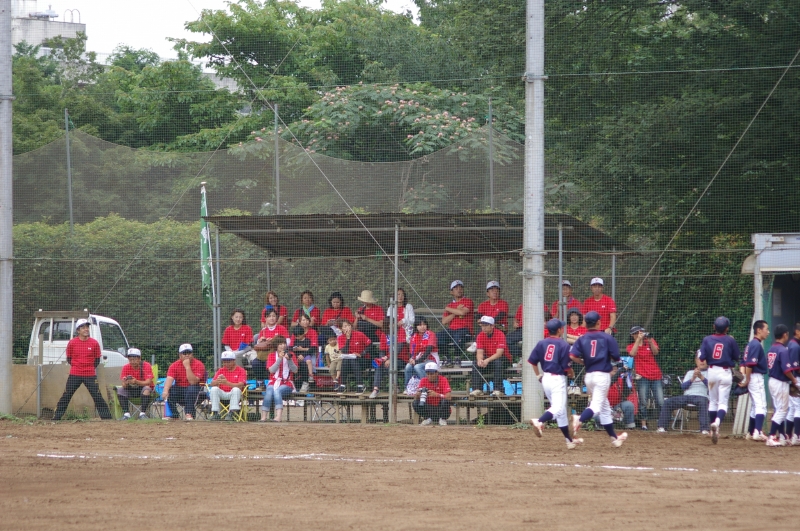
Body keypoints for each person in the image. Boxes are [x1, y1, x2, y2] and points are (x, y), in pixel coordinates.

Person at [569, 311, 628, 447]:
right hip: (602, 375)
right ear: (599, 323)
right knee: (595, 406)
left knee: (605, 408)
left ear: (585, 323)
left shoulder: (582, 338)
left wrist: (583, 362)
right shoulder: (606, 337)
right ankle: (579, 419)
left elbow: (572, 356)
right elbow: (616, 357)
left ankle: (615, 438)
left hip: (589, 376)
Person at [528, 319, 582, 449]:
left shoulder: (541, 343)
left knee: (561, 412)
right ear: (559, 330)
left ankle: (569, 441)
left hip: (546, 378)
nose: (563, 329)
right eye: (561, 328)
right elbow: (566, 367)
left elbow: (532, 361)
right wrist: (572, 373)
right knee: (558, 408)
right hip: (557, 379)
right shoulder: (564, 345)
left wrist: (538, 375)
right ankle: (539, 421)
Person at [52, 319, 113, 421]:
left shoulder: (94, 343)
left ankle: (107, 418)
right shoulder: (72, 343)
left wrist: (88, 368)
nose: (86, 329)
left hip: (90, 374)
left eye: (87, 327)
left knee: (97, 395)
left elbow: (97, 360)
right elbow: (69, 359)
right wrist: (78, 367)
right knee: (67, 395)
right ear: (78, 330)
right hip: (75, 374)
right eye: (83, 327)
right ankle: (56, 417)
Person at [697, 316, 741, 444]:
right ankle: (716, 423)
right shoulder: (730, 340)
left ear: (714, 327)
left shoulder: (707, 339)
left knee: (713, 402)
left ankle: (712, 431)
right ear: (727, 328)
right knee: (723, 403)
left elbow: (701, 357)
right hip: (725, 372)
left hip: (712, 371)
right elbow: (737, 357)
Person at [765, 325, 799, 447]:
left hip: (773, 381)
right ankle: (771, 436)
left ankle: (783, 436)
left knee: (779, 409)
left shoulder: (771, 348)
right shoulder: (782, 350)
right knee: (782, 410)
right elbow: (787, 370)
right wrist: (794, 380)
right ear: (785, 334)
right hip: (780, 382)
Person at [739, 320, 770, 441]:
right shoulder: (756, 344)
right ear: (759, 330)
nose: (768, 332)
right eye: (766, 329)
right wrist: (747, 379)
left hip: (752, 376)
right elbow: (750, 364)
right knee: (761, 405)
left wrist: (745, 377)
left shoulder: (750, 344)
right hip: (755, 376)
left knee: (755, 406)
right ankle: (758, 432)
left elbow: (743, 363)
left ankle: (751, 432)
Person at [656, 367, 710, 434]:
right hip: (687, 396)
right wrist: (693, 378)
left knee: (704, 402)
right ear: (696, 362)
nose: (702, 362)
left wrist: (701, 377)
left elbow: (712, 387)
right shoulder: (690, 372)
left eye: (704, 361)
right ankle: (662, 427)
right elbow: (683, 387)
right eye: (700, 361)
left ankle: (704, 429)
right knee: (668, 402)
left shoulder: (710, 373)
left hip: (702, 397)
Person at [627, 325, 662, 430]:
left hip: (655, 375)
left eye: (641, 332)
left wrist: (650, 341)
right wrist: (638, 340)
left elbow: (656, 352)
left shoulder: (650, 341)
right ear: (633, 335)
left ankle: (662, 424)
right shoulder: (631, 346)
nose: (640, 334)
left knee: (660, 401)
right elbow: (632, 354)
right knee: (643, 401)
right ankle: (644, 424)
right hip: (642, 376)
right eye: (637, 333)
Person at [162, 343, 206, 421]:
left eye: (189, 353)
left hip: (196, 391)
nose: (187, 355)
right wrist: (165, 391)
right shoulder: (174, 365)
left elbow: (193, 382)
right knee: (170, 390)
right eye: (184, 353)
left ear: (192, 354)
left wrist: (187, 367)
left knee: (191, 389)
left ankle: (189, 413)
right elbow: (169, 379)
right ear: (180, 355)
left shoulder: (199, 364)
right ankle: (174, 415)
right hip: (180, 390)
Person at [259, 335, 297, 422]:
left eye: (284, 343)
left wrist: (289, 360)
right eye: (280, 344)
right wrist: (279, 359)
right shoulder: (271, 355)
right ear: (276, 345)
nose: (283, 345)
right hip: (273, 381)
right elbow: (271, 370)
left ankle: (278, 416)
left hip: (287, 383)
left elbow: (295, 370)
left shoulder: (291, 355)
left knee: (277, 391)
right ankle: (264, 417)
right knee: (269, 392)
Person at [469, 316, 509, 398]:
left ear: (492, 326)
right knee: (476, 363)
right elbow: (479, 352)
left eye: (486, 325)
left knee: (498, 362)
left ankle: (498, 389)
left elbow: (499, 353)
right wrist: (480, 360)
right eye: (482, 326)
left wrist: (487, 360)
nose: (483, 328)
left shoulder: (500, 334)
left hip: (503, 359)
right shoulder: (480, 335)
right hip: (489, 360)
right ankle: (477, 389)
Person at [437, 280, 474, 364]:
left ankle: (457, 357)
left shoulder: (468, 301)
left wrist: (449, 309)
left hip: (465, 330)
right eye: (456, 288)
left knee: (458, 337)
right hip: (452, 330)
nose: (459, 290)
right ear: (451, 292)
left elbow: (462, 312)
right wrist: (455, 312)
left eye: (461, 288)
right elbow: (444, 321)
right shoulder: (450, 305)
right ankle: (447, 358)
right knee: (438, 337)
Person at [209, 350, 247, 421]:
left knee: (236, 389)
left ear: (234, 361)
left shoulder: (241, 370)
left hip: (235, 395)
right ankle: (215, 413)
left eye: (228, 362)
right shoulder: (221, 370)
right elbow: (212, 384)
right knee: (214, 389)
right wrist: (217, 381)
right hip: (222, 394)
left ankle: (232, 413)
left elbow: (241, 385)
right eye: (224, 362)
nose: (226, 364)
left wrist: (227, 383)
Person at [117, 347, 154, 420]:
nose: (132, 362)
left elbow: (148, 382)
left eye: (134, 359)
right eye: (130, 360)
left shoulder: (146, 365)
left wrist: (136, 381)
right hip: (131, 389)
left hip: (143, 389)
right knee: (120, 390)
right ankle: (126, 414)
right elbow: (123, 385)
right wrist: (126, 382)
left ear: (139, 358)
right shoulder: (126, 367)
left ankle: (142, 414)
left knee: (147, 389)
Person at [337, 318, 372, 392]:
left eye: (348, 325)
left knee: (353, 360)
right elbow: (344, 351)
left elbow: (370, 345)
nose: (348, 327)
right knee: (346, 360)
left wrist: (361, 354)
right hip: (348, 363)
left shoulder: (359, 334)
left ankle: (360, 385)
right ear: (341, 329)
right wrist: (348, 338)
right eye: (345, 326)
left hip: (363, 360)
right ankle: (343, 385)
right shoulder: (340, 338)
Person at [413, 362, 452, 426]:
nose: (429, 376)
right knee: (415, 403)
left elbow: (449, 397)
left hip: (441, 408)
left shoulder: (443, 379)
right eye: (427, 374)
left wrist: (437, 395)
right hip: (429, 409)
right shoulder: (423, 380)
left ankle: (442, 419)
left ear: (437, 373)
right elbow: (416, 398)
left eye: (431, 374)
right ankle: (427, 419)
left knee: (445, 401)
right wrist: (418, 395)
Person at [405, 316, 439, 385]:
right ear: (416, 326)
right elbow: (412, 352)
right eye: (420, 325)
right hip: (418, 359)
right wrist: (412, 359)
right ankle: (408, 387)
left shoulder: (431, 334)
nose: (422, 327)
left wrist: (417, 361)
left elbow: (428, 351)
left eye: (424, 324)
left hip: (431, 359)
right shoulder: (414, 336)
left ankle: (426, 386)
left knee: (417, 367)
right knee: (408, 366)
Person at [607, 363, 637, 430]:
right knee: (597, 417)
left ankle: (629, 426)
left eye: (616, 367)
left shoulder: (619, 380)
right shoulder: (603, 379)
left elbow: (626, 394)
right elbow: (610, 383)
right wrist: (619, 372)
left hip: (616, 407)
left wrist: (625, 379)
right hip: (604, 409)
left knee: (629, 404)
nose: (615, 368)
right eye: (613, 367)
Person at [294, 313, 319, 393]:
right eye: (303, 320)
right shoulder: (296, 331)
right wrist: (297, 355)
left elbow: (313, 348)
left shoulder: (313, 332)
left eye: (307, 320)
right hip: (297, 354)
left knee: (310, 363)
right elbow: (291, 346)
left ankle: (309, 382)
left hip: (309, 354)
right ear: (299, 322)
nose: (305, 322)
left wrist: (303, 355)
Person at [787, 323, 800, 445]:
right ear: (797, 332)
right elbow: (796, 368)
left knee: (792, 408)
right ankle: (797, 436)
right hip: (796, 379)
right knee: (798, 408)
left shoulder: (791, 343)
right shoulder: (795, 346)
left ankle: (789, 435)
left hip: (792, 379)